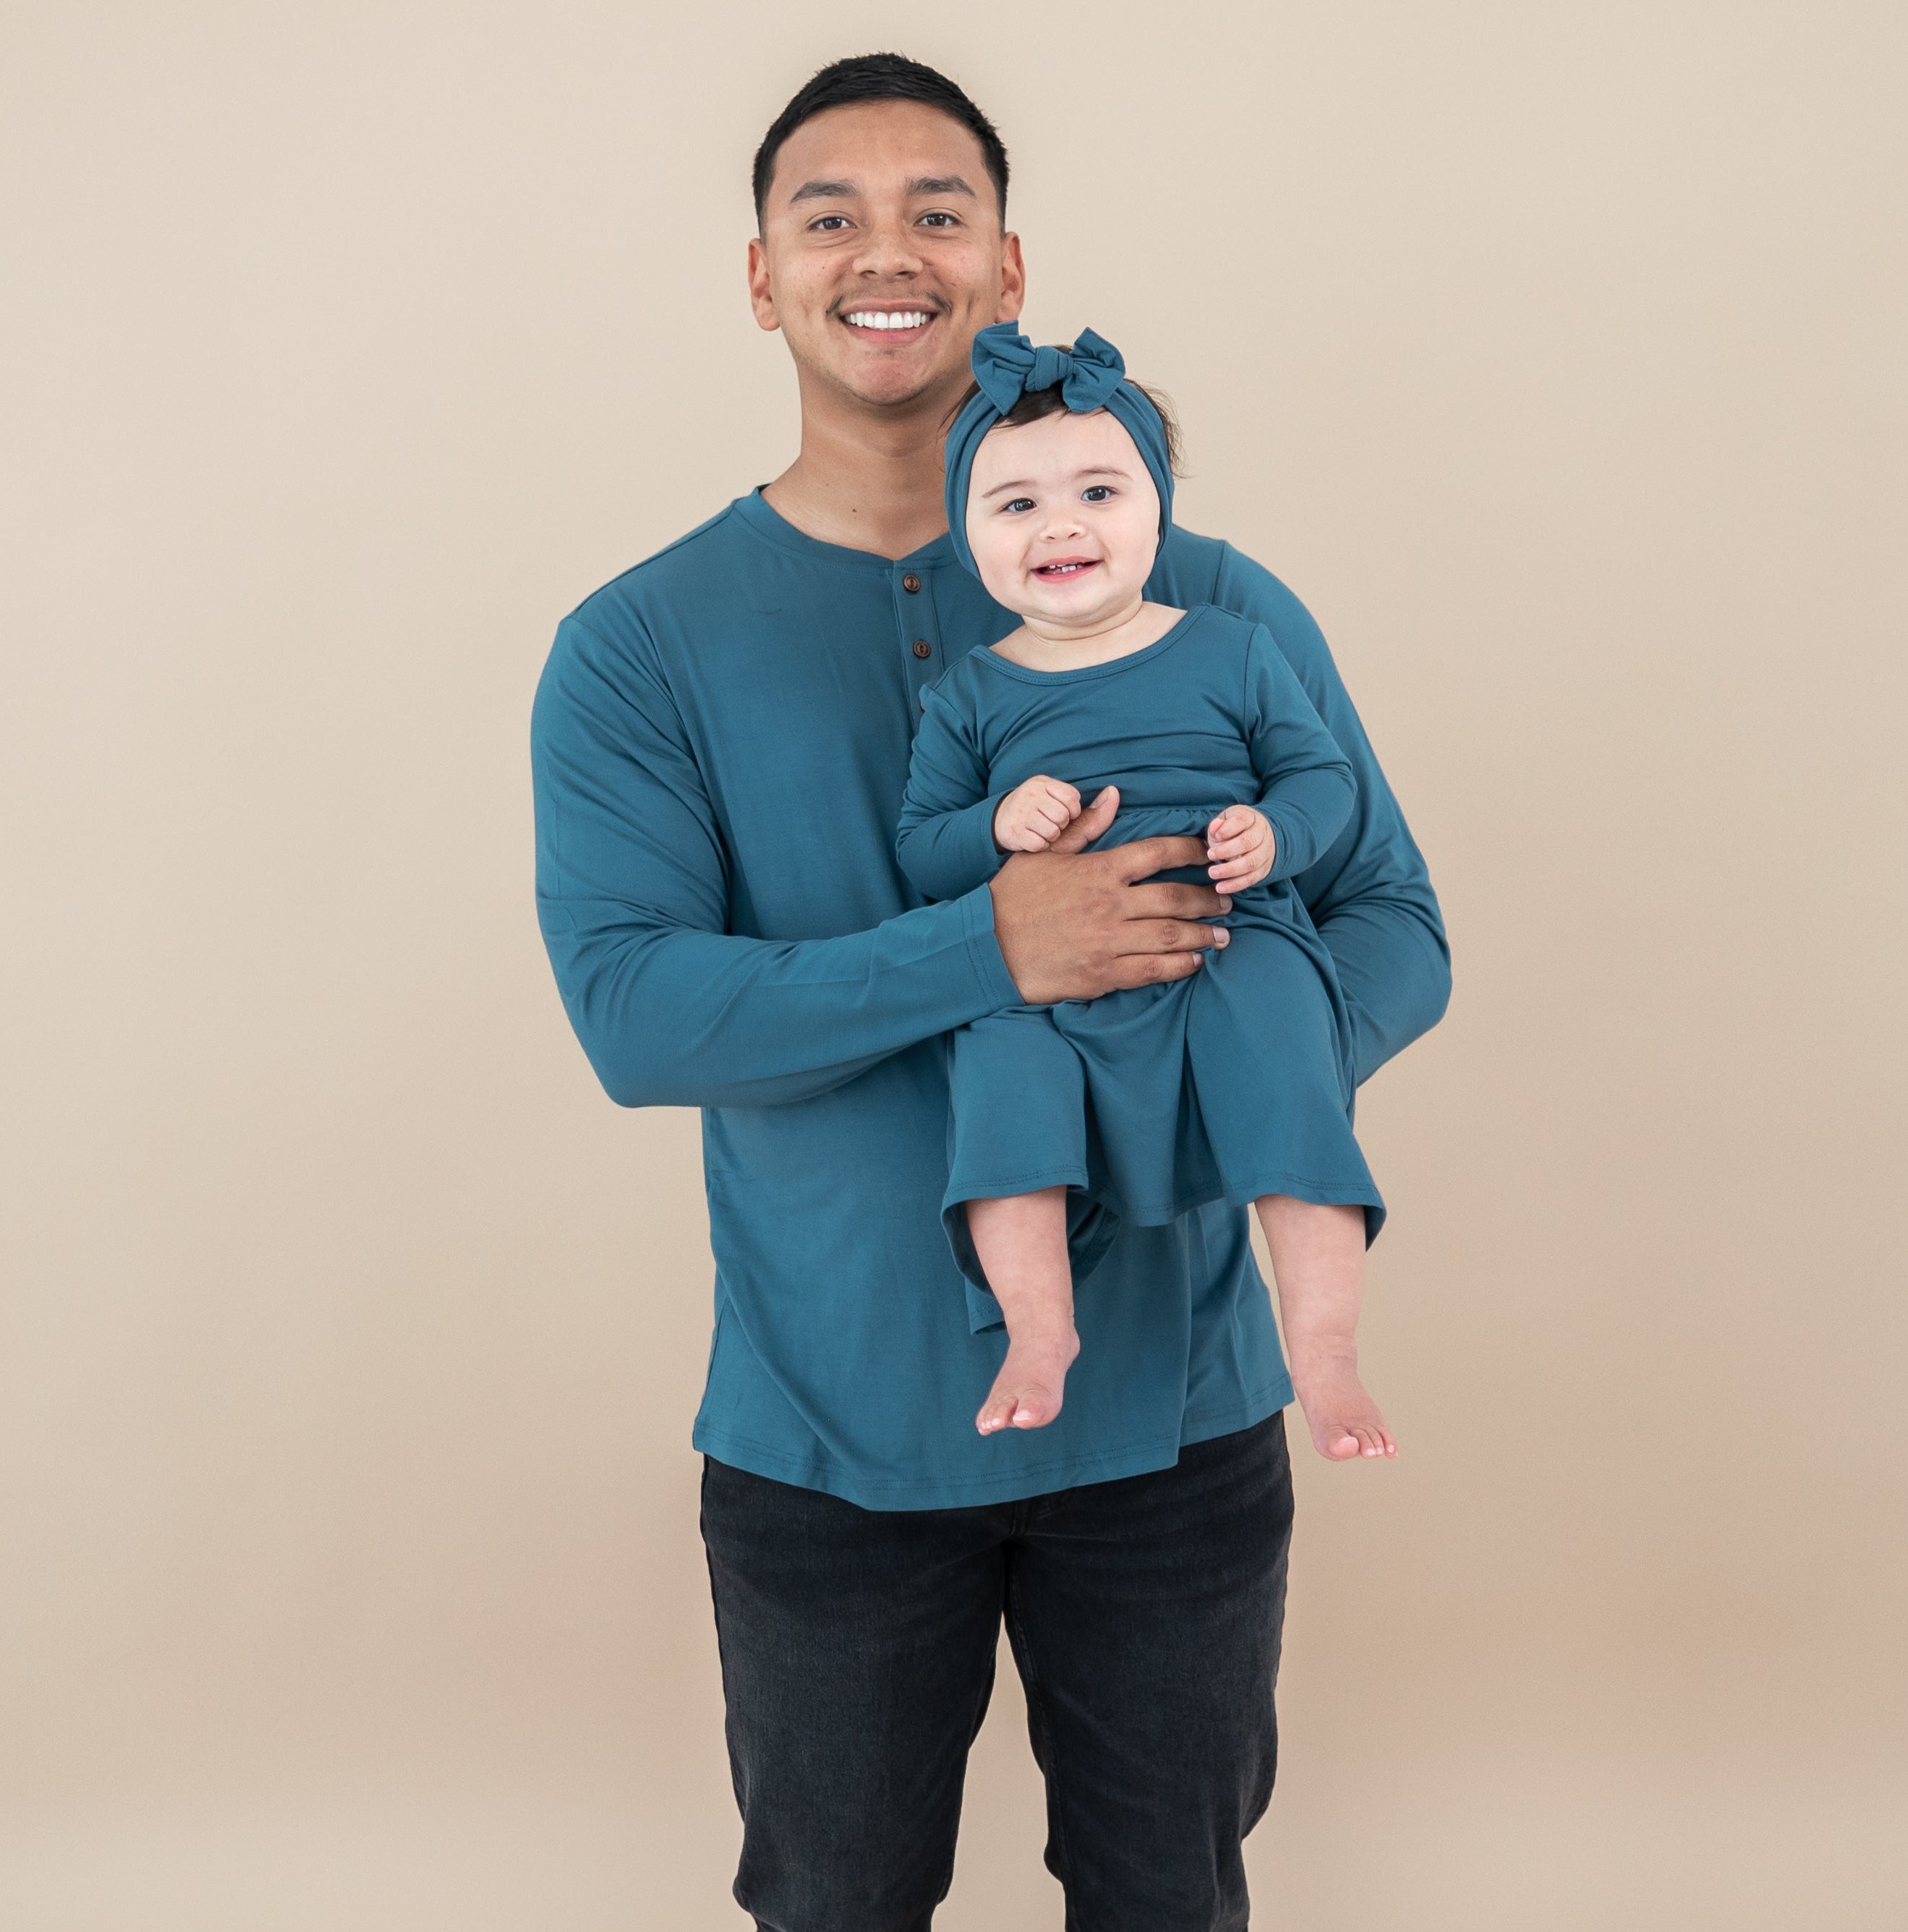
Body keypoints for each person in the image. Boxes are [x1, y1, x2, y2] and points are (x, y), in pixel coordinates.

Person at [530, 51, 1449, 1932]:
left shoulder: (1212, 596)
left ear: (1008, 267)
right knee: (835, 1908)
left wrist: (1224, 1046)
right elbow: (637, 1016)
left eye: (937, 211)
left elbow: (1397, 922)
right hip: (828, 1434)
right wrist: (996, 947)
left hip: (1178, 1426)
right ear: (763, 275)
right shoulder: (641, 644)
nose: (890, 252)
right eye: (831, 214)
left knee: (1170, 1905)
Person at [899, 323, 1394, 1454]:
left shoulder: (1227, 646)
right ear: (967, 540)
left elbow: (1322, 777)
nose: (1061, 523)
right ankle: (1039, 1326)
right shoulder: (972, 697)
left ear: (1157, 516)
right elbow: (924, 847)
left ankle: (1323, 1350)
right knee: (1000, 1078)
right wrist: (993, 825)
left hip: (1228, 933)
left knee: (1289, 1063)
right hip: (1042, 975)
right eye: (1013, 504)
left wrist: (1276, 833)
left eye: (1099, 491)